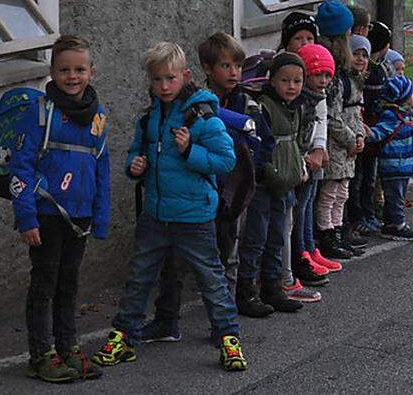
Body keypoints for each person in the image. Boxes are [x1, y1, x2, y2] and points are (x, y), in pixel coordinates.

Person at [90, 42, 247, 372]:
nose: (164, 86)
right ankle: (124, 335)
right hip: (156, 215)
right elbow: (136, 152)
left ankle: (228, 339)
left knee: (211, 279)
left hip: (195, 217)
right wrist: (135, 166)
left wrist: (190, 151)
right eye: (157, 79)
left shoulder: (202, 116)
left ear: (185, 76)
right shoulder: (150, 119)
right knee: (139, 278)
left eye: (170, 79)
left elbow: (226, 160)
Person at [139, 32, 269, 343]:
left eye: (238, 65)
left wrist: (258, 167)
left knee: (223, 258)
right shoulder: (185, 103)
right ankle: (166, 320)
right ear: (207, 69)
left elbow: (259, 141)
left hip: (231, 190)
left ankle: (225, 322)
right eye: (226, 65)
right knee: (173, 263)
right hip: (191, 193)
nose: (234, 72)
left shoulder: (245, 103)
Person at [12, 35, 110, 383]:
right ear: (52, 72)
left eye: (80, 69)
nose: (73, 76)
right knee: (44, 284)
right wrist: (26, 216)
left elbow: (102, 166)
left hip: (79, 217)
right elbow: (20, 169)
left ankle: (68, 348)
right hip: (46, 215)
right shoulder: (39, 113)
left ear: (91, 72)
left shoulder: (98, 116)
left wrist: (101, 216)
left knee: (69, 284)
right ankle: (41, 355)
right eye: (65, 69)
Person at [236, 52, 309, 315]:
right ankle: (246, 292)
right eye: (285, 80)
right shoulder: (263, 107)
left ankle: (272, 287)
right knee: (256, 237)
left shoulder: (297, 107)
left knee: (277, 237)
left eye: (297, 81)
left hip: (285, 184)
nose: (291, 86)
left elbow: (298, 144)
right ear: (273, 81)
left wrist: (298, 168)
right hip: (264, 185)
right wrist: (267, 172)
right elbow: (258, 145)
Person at [289, 43, 337, 295]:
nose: (323, 80)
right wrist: (311, 152)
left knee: (307, 204)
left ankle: (309, 248)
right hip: (302, 159)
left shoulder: (319, 97)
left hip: (314, 156)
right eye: (318, 75)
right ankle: (300, 254)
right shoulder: (299, 99)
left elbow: (322, 122)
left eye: (327, 75)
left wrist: (320, 147)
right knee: (297, 209)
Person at [319, 34, 368, 259]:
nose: (360, 59)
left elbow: (356, 114)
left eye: (364, 55)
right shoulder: (340, 83)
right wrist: (350, 139)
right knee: (330, 193)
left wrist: (359, 136)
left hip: (349, 148)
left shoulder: (357, 82)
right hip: (337, 146)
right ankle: (327, 234)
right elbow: (333, 117)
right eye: (356, 53)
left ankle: (339, 232)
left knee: (342, 193)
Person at [346, 21, 392, 236]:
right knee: (359, 178)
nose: (361, 60)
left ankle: (367, 214)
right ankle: (358, 218)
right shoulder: (369, 75)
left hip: (371, 134)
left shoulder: (376, 71)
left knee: (368, 178)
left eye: (364, 55)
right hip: (362, 132)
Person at [365, 75, 413, 241]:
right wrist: (367, 133)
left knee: (398, 196)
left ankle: (390, 222)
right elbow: (379, 133)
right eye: (411, 94)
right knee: (395, 197)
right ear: (403, 97)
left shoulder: (405, 114)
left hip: (403, 166)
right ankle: (398, 225)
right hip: (393, 166)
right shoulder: (391, 116)